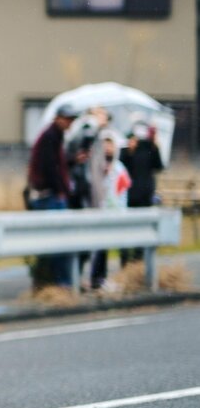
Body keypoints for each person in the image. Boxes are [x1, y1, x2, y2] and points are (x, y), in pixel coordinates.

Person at [26, 103, 77, 287]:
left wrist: (72, 161)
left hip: (47, 195)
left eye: (72, 120)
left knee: (50, 244)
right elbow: (51, 169)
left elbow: (57, 165)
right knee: (58, 243)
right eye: (68, 119)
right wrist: (62, 191)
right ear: (58, 118)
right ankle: (61, 284)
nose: (70, 123)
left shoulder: (54, 136)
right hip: (49, 197)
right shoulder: (50, 137)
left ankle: (48, 282)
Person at [87, 129, 132, 290]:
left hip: (118, 212)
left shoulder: (119, 168)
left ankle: (126, 276)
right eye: (104, 145)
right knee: (101, 248)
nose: (107, 148)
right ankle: (98, 278)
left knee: (123, 247)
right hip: (101, 212)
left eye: (110, 144)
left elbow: (124, 191)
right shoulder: (96, 167)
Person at [119, 121, 165, 267]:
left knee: (142, 231)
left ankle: (138, 262)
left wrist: (155, 146)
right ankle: (125, 262)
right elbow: (121, 166)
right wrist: (129, 151)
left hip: (145, 195)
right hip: (129, 196)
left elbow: (158, 166)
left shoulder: (149, 147)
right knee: (127, 231)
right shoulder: (126, 146)